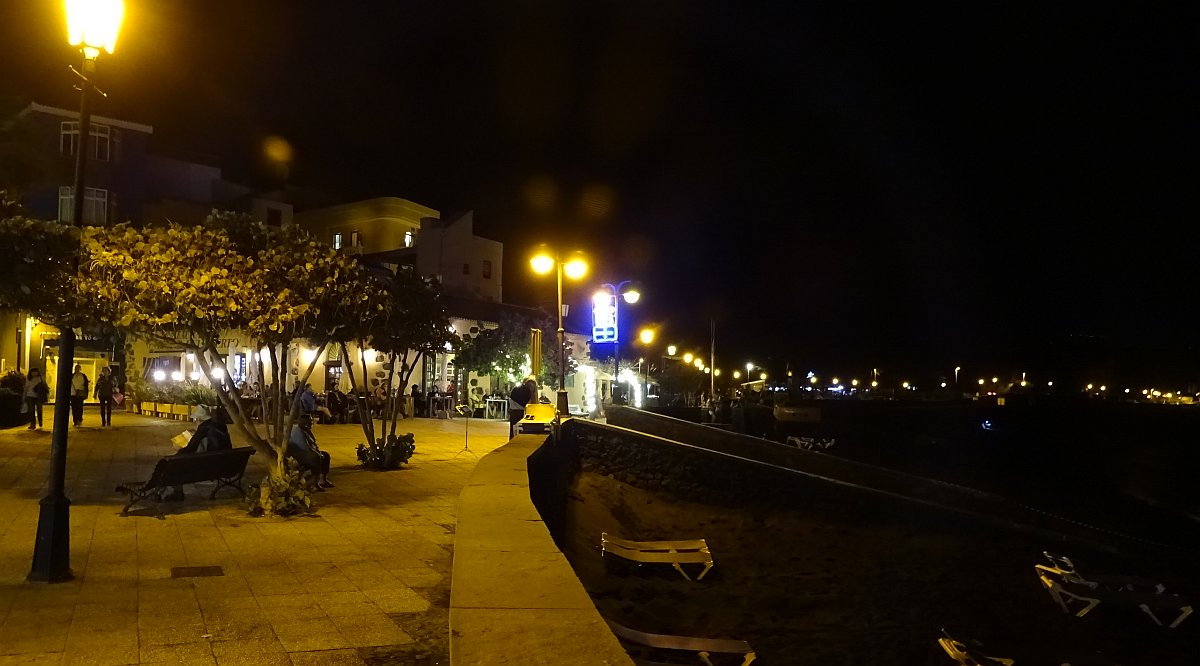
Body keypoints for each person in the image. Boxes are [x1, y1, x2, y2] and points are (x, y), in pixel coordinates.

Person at [160, 406, 233, 501]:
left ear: (199, 419)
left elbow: (190, 448)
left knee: (175, 463)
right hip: (226, 464)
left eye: (196, 419)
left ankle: (176, 492)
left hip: (210, 467)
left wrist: (178, 451)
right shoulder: (221, 426)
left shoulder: (204, 428)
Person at [287, 413, 333, 489]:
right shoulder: (299, 432)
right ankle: (314, 483)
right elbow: (305, 448)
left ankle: (323, 480)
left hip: (305, 452)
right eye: (310, 421)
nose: (312, 423)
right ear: (305, 423)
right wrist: (317, 453)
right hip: (299, 455)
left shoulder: (305, 430)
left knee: (325, 455)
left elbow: (312, 444)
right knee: (316, 458)